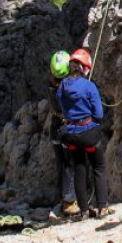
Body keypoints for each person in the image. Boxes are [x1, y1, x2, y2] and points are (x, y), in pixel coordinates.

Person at [55, 48, 112, 219]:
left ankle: (84, 210)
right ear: (84, 68)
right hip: (89, 132)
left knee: (79, 168)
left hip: (71, 133)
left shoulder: (63, 86)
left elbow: (61, 105)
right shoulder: (89, 86)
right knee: (98, 167)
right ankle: (102, 207)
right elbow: (99, 114)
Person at [48, 50, 79, 217]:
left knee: (61, 163)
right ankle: (69, 201)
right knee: (69, 164)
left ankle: (61, 197)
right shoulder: (66, 91)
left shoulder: (51, 86)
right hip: (66, 128)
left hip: (55, 128)